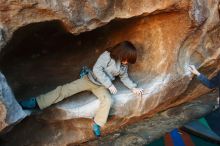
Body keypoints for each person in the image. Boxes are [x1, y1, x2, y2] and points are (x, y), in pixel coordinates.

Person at [19, 41, 144, 137]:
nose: (127, 62)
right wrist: (110, 85)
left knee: (108, 100)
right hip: (89, 80)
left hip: (101, 87)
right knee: (64, 90)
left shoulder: (123, 66)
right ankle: (36, 102)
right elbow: (97, 69)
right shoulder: (107, 56)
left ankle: (97, 124)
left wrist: (134, 88)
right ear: (122, 53)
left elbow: (124, 77)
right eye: (127, 59)